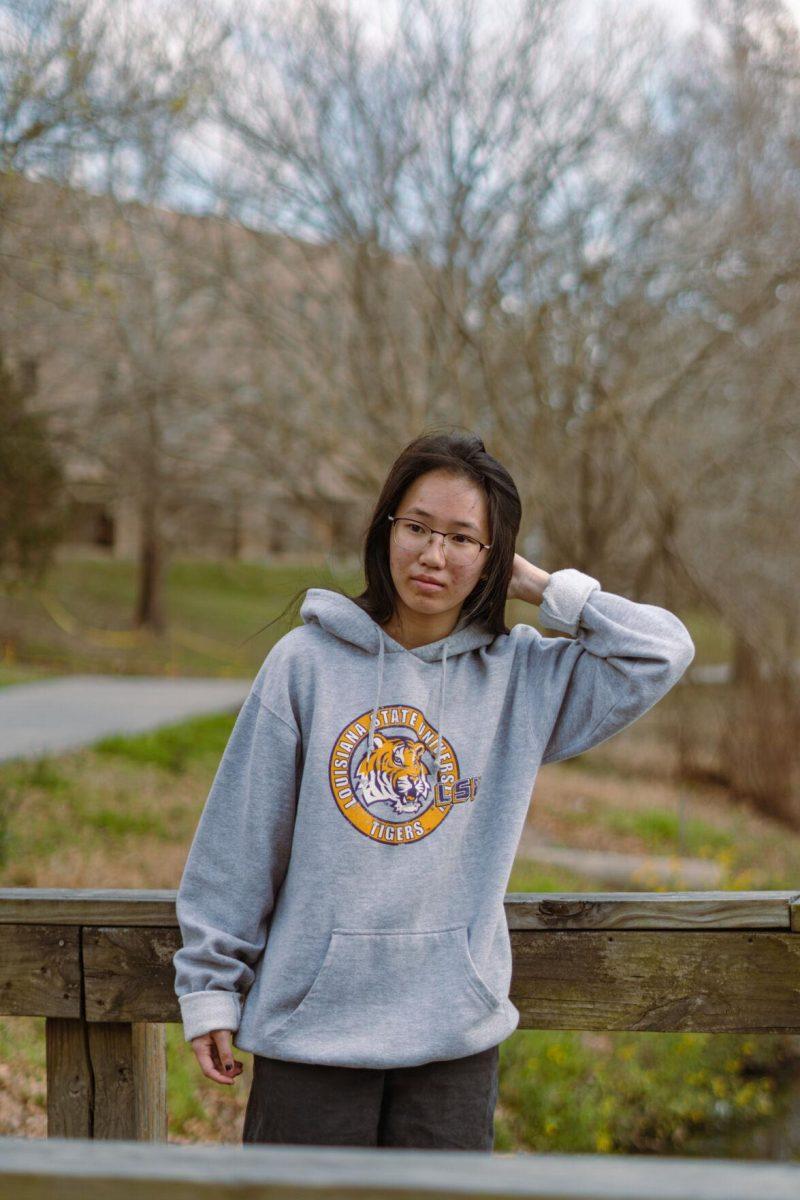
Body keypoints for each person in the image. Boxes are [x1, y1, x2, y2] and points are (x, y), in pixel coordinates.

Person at [172, 428, 695, 1151]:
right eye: (417, 527)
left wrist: (546, 588)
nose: (433, 554)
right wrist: (209, 988)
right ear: (386, 528)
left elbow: (661, 652)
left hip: (452, 1040)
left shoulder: (522, 678)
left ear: (493, 558)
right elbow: (240, 838)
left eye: (461, 538)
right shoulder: (306, 664)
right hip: (311, 1036)